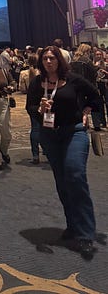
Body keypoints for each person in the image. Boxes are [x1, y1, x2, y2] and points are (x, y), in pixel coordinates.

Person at [26, 45, 101, 259]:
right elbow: (30, 107)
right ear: (41, 62)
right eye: (45, 59)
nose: (49, 62)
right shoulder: (37, 83)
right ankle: (73, 225)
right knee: (62, 181)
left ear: (59, 60)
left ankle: (85, 233)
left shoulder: (74, 80)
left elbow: (95, 97)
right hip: (50, 136)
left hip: (74, 132)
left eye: (52, 58)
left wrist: (86, 111)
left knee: (75, 175)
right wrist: (39, 109)